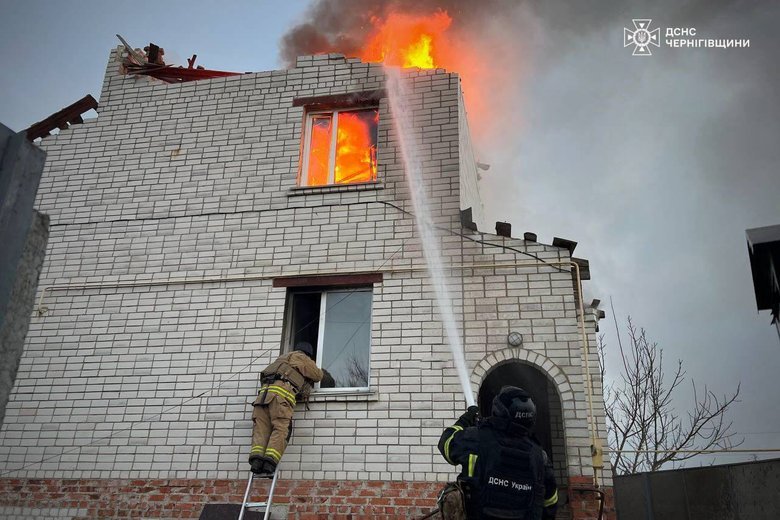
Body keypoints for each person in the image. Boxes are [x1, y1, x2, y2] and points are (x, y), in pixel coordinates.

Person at [437, 386, 558, 519]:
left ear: (498, 410)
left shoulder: (478, 439)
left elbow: (446, 444)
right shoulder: (540, 456)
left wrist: (466, 419)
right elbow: (550, 502)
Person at [249, 341, 323, 475]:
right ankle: (270, 463)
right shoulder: (302, 358)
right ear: (308, 354)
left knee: (262, 428)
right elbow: (317, 375)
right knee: (281, 427)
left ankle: (257, 461)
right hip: (280, 399)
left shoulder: (281, 359)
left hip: (262, 398)